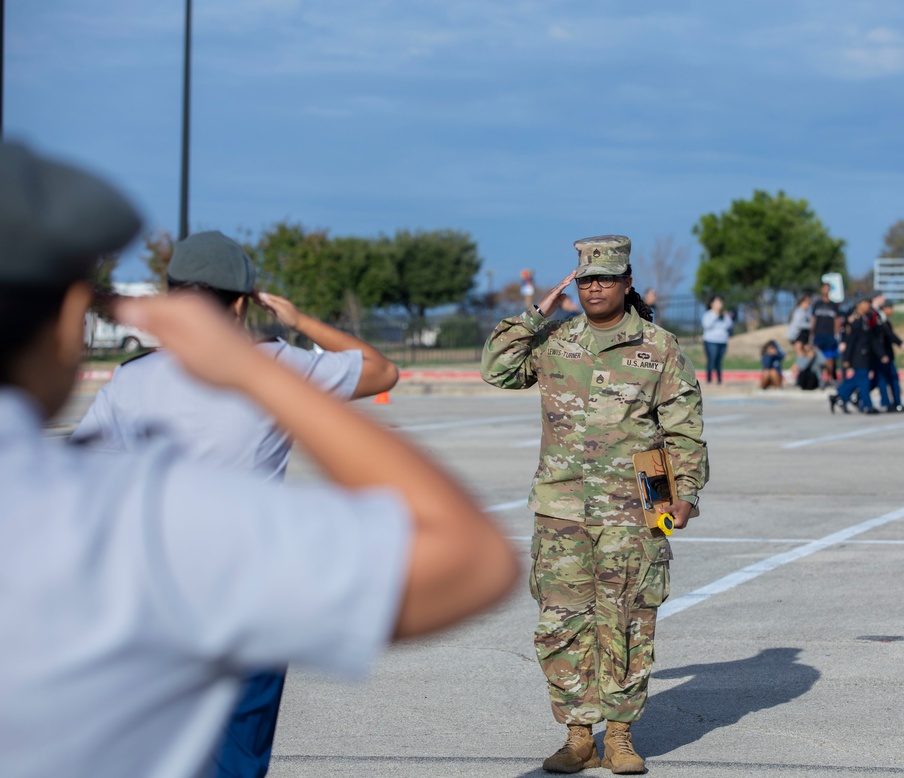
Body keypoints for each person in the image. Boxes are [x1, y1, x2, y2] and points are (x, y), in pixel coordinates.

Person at [0, 141, 519, 778]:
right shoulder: (266, 375)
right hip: (239, 582)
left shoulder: (127, 387)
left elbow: (84, 455)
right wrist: (280, 345)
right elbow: (468, 554)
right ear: (241, 305)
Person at [71, 229, 400, 778]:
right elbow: (381, 370)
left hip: (154, 592)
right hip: (251, 588)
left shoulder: (130, 382)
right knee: (237, 756)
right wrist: (298, 323)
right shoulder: (279, 367)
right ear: (243, 303)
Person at [481, 235, 709, 775]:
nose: (595, 286)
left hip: (634, 513)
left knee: (628, 620)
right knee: (561, 623)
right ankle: (579, 733)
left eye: (606, 277)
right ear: (574, 285)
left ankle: (622, 737)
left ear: (627, 283)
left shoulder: (659, 348)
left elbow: (684, 430)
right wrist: (536, 313)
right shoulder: (556, 342)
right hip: (561, 511)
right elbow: (496, 368)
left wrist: (685, 494)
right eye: (585, 279)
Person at [829, 297, 882, 415]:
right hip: (858, 355)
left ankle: (838, 396)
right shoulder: (857, 321)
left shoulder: (864, 319)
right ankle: (867, 405)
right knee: (864, 381)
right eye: (865, 303)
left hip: (865, 354)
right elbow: (851, 340)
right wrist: (847, 358)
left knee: (857, 379)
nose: (868, 306)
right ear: (859, 305)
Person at [809, 283, 841, 387]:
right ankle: (820, 379)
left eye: (827, 288)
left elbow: (837, 320)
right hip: (819, 335)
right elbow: (814, 319)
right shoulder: (817, 304)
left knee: (830, 358)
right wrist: (812, 332)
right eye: (824, 288)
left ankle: (829, 378)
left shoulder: (833, 305)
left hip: (830, 335)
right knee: (818, 358)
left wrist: (836, 333)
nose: (825, 290)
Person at [701, 294, 733, 384]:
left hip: (722, 340)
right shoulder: (708, 315)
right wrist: (716, 316)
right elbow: (707, 325)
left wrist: (726, 316)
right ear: (712, 303)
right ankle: (709, 379)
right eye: (717, 302)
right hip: (711, 340)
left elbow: (729, 325)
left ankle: (719, 379)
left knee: (719, 360)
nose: (719, 304)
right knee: (712, 359)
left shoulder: (724, 315)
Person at [786, 293, 812, 358]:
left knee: (807, 353)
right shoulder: (798, 311)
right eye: (807, 301)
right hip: (797, 335)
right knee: (800, 354)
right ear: (801, 302)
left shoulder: (806, 312)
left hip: (804, 335)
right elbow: (798, 324)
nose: (809, 303)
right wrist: (811, 325)